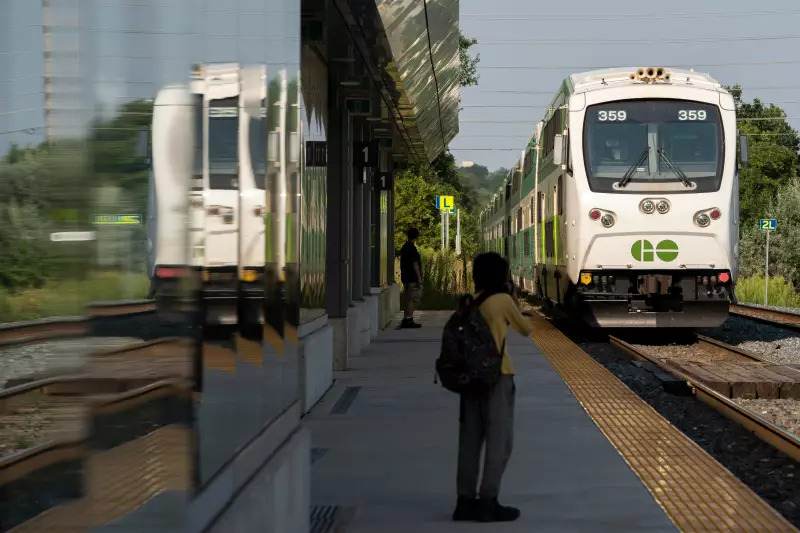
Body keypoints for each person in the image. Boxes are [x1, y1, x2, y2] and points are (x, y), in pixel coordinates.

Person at [453, 252, 533, 523]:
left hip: (470, 378)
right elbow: (526, 328)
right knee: (499, 442)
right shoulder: (502, 301)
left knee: (470, 441)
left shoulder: (472, 301)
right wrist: (514, 300)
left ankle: (464, 502)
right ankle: (489, 501)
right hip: (497, 376)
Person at [399, 227, 423, 329]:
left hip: (405, 276)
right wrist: (419, 278)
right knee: (413, 299)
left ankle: (406, 318)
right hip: (412, 278)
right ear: (416, 237)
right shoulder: (412, 249)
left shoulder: (404, 247)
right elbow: (415, 265)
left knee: (408, 298)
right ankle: (409, 319)